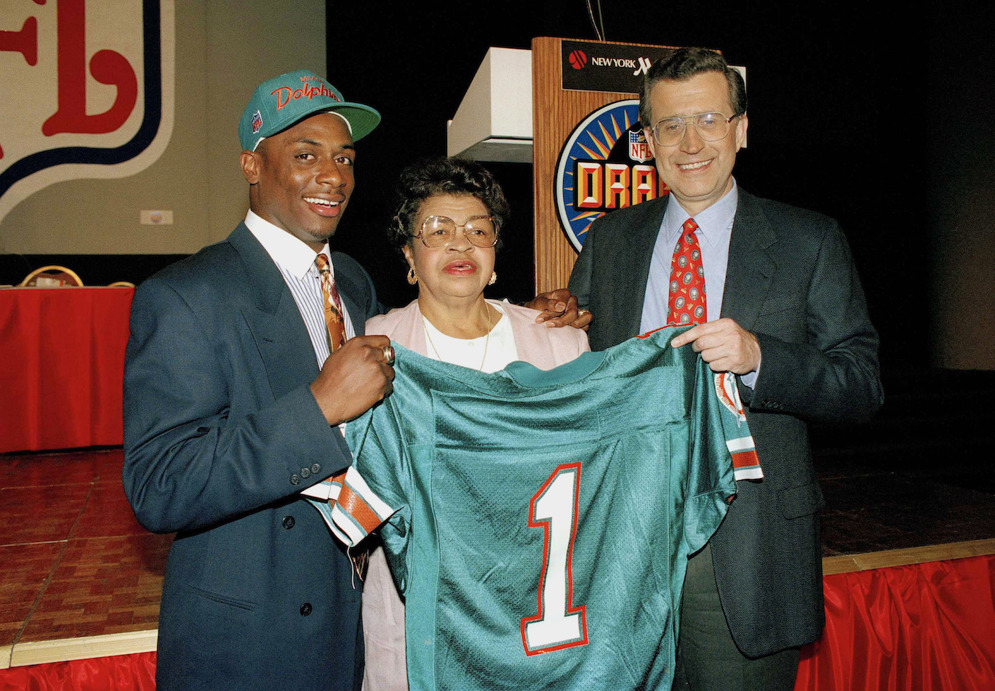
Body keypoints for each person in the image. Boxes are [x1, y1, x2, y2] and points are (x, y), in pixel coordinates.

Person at [123, 70, 585, 690]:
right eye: (306, 154)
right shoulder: (186, 296)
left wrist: (526, 315)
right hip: (250, 642)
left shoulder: (350, 282)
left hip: (352, 628)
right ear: (251, 166)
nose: (334, 175)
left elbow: (445, 328)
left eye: (344, 157)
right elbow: (159, 486)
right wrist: (315, 410)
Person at [568, 48, 883, 689]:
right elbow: (585, 379)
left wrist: (762, 358)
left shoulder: (808, 240)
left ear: (741, 128)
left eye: (709, 120)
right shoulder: (609, 241)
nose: (690, 142)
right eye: (670, 126)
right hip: (622, 550)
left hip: (746, 552)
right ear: (648, 140)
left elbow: (861, 384)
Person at [359, 157, 590, 689]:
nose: (460, 245)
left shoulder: (560, 345)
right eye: (437, 231)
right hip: (420, 624)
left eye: (477, 231)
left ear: (494, 253)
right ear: (409, 256)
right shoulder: (373, 348)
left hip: (538, 621)